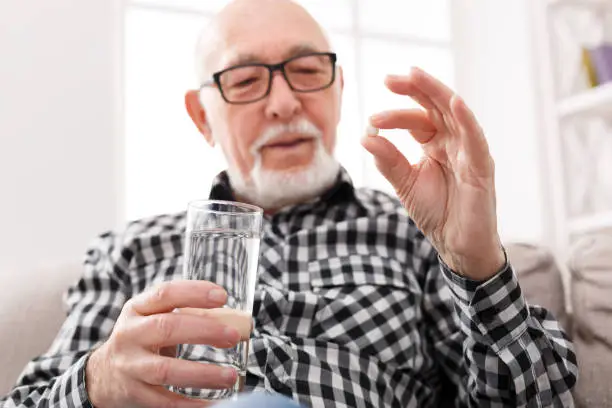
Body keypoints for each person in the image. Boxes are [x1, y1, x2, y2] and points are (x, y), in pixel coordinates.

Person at [2, 0, 577, 407]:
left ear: (338, 88)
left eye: (306, 71)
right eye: (247, 80)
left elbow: (539, 402)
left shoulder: (415, 234)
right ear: (203, 116)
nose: (283, 103)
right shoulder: (128, 250)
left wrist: (477, 263)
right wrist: (98, 381)